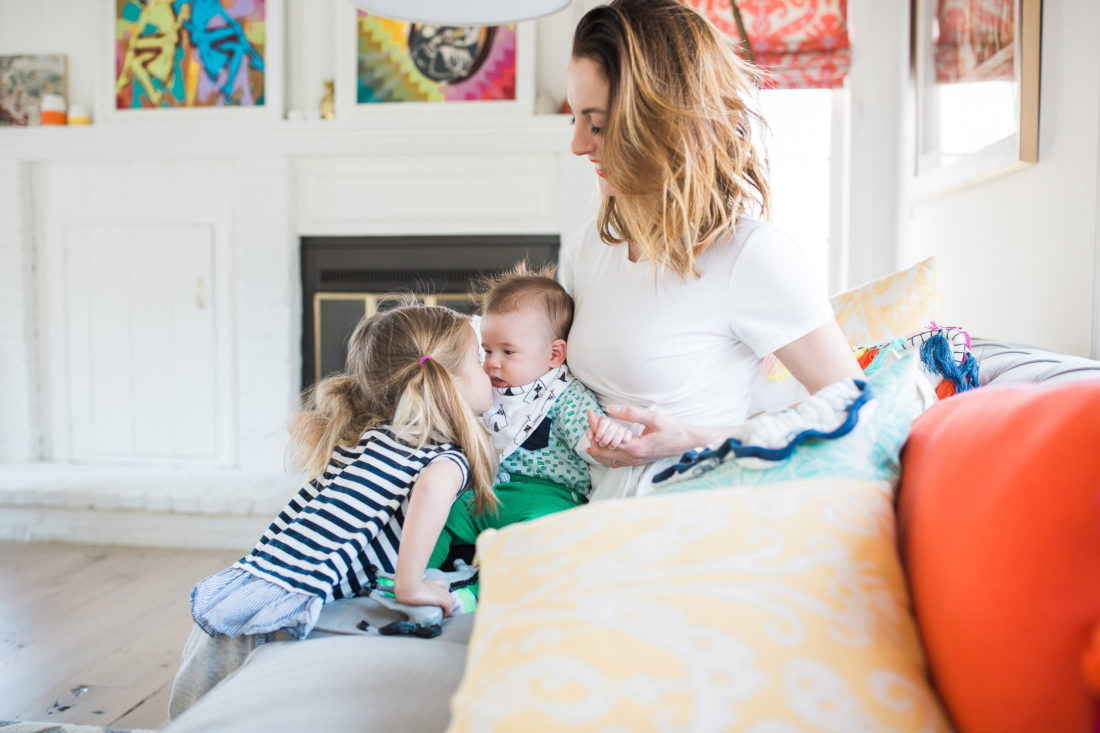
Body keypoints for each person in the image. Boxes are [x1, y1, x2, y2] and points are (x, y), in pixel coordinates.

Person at [562, 0, 864, 500]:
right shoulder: (586, 250)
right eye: (574, 117)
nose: (577, 144)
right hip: (589, 514)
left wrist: (692, 440)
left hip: (694, 517)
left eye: (596, 124)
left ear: (660, 121)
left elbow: (855, 409)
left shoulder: (751, 257)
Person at [169, 304, 496, 717]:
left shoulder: (372, 434)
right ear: (448, 382)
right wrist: (409, 586)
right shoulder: (443, 458)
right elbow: (431, 490)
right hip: (289, 608)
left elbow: (305, 429)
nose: (491, 374)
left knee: (194, 714)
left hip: (257, 582)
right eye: (480, 362)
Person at [429, 262, 632, 571]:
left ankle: (481, 591)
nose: (493, 363)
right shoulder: (487, 388)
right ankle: (411, 577)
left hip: (548, 497)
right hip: (489, 493)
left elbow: (590, 440)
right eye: (488, 350)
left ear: (553, 354)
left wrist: (608, 435)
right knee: (440, 513)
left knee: (539, 536)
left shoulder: (565, 395)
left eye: (508, 352)